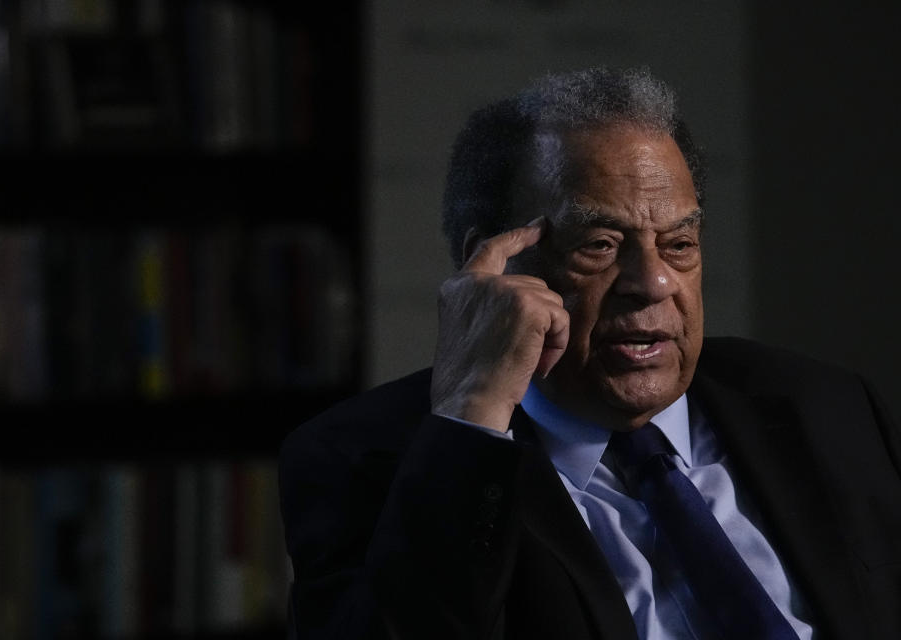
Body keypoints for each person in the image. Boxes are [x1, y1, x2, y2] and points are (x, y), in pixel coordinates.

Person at [278, 67, 901, 639]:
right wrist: (474, 411)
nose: (653, 283)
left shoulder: (828, 408)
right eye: (600, 245)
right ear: (487, 269)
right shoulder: (362, 459)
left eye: (679, 243)